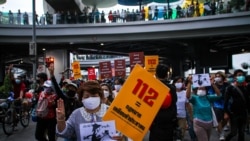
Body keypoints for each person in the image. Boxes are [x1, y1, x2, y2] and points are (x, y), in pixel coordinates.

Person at [56, 81, 124, 141]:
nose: (90, 99)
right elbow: (65, 134)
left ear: (100, 97)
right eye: (86, 96)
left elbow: (122, 131)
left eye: (94, 96)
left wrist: (120, 136)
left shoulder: (110, 111)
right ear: (81, 98)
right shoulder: (76, 114)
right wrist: (61, 119)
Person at [48, 64, 81, 141]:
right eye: (69, 88)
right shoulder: (64, 98)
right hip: (67, 128)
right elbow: (56, 87)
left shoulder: (79, 101)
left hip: (78, 129)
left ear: (76, 90)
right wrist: (52, 75)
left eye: (73, 88)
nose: (71, 89)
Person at [186, 75, 221, 141]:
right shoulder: (195, 98)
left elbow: (219, 95)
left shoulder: (209, 98)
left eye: (203, 88)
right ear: (197, 90)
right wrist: (189, 83)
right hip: (198, 122)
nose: (201, 90)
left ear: (206, 90)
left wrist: (213, 84)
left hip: (209, 123)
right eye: (199, 88)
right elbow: (188, 96)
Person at [149, 64, 177, 141]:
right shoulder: (172, 88)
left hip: (155, 122)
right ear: (166, 75)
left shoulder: (152, 86)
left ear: (155, 74)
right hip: (169, 123)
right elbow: (174, 103)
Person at [224, 69, 250, 141]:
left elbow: (248, 101)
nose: (241, 77)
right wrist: (226, 112)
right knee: (234, 132)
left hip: (244, 113)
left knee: (242, 132)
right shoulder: (230, 88)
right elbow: (226, 101)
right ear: (235, 77)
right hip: (233, 113)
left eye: (242, 75)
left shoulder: (246, 88)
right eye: (239, 75)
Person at [208, 71, 230, 141]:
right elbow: (211, 94)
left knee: (226, 119)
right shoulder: (213, 86)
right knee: (218, 120)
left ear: (222, 77)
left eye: (219, 76)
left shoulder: (227, 85)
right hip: (216, 105)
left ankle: (220, 128)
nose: (217, 78)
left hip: (227, 105)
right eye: (216, 76)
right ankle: (221, 133)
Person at [173, 76, 189, 140]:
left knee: (181, 134)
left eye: (181, 82)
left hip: (182, 116)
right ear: (174, 83)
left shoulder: (185, 93)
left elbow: (187, 105)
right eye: (177, 82)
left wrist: (189, 117)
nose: (179, 83)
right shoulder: (172, 92)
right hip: (173, 116)